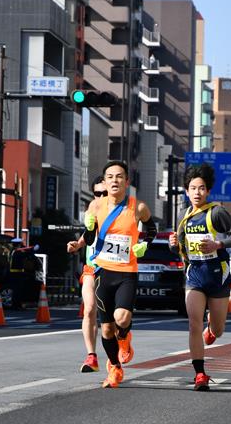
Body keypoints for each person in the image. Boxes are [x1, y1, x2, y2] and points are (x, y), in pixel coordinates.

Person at [168, 163, 231, 391]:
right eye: (193, 188)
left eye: (201, 188)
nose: (197, 192)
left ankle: (211, 330)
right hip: (195, 274)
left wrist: (218, 243)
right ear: (186, 191)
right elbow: (180, 248)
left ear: (208, 190)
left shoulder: (216, 212)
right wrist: (173, 244)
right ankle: (200, 373)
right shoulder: (182, 215)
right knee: (193, 324)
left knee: (218, 330)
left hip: (217, 273)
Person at [86, 161, 156, 388]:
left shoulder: (138, 207)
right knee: (106, 328)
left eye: (119, 177)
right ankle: (115, 367)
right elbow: (89, 240)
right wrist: (88, 228)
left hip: (127, 272)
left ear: (127, 181)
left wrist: (144, 244)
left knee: (122, 318)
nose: (114, 180)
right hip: (103, 272)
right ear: (104, 182)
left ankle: (125, 338)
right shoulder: (95, 206)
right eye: (110, 177)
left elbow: (152, 229)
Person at [66, 176, 107, 373]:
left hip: (114, 269)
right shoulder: (93, 211)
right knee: (90, 309)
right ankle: (92, 356)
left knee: (115, 320)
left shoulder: (121, 214)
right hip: (92, 267)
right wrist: (77, 244)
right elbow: (88, 233)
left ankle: (123, 338)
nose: (100, 197)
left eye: (104, 193)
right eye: (97, 193)